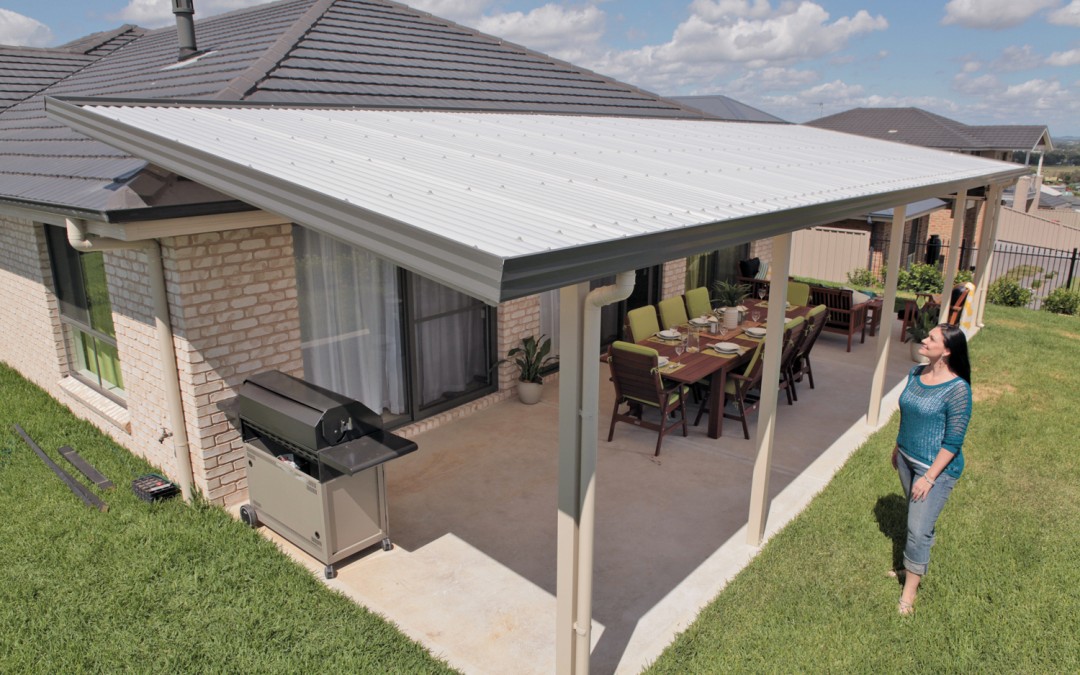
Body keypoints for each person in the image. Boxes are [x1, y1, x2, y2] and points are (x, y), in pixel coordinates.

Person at [891, 323, 972, 616]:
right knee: (919, 523)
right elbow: (907, 414)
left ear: (947, 350)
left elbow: (953, 441)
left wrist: (929, 477)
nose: (923, 340)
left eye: (931, 339)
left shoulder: (958, 389)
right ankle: (910, 565)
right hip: (906, 458)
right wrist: (897, 447)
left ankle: (909, 593)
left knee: (917, 529)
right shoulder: (916, 374)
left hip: (934, 469)